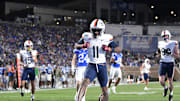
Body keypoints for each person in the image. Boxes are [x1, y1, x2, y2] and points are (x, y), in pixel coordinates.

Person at [76, 19, 120, 101]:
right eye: (94, 30)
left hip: (102, 65)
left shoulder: (107, 38)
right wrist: (83, 45)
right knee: (84, 82)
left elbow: (118, 49)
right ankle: (78, 99)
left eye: (98, 30)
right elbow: (76, 45)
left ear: (102, 30)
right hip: (91, 64)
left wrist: (109, 49)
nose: (96, 32)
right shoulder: (86, 36)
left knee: (105, 91)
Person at [157, 30, 179, 101]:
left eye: (166, 35)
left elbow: (178, 56)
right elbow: (159, 52)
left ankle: (171, 93)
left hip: (170, 63)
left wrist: (171, 54)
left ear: (169, 36)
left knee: (170, 80)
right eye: (163, 36)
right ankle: (165, 88)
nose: (165, 37)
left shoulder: (173, 43)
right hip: (162, 62)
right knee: (161, 81)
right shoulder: (160, 43)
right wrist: (157, 54)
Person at [71, 33, 88, 100]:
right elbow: (74, 59)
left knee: (85, 84)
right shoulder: (78, 50)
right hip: (79, 67)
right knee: (78, 82)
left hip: (86, 67)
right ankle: (78, 94)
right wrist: (73, 66)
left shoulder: (89, 50)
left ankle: (83, 97)